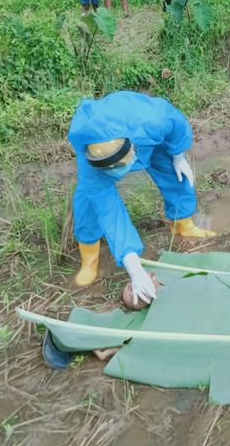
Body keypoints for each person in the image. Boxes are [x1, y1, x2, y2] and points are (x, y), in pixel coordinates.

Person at [67, 91, 216, 305]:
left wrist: (178, 156)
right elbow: (111, 213)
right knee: (89, 202)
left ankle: (182, 224)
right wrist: (135, 270)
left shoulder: (153, 120)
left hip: (144, 140)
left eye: (119, 163)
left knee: (176, 175)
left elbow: (176, 125)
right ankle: (89, 258)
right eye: (110, 167)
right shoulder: (90, 156)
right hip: (102, 160)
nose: (116, 171)